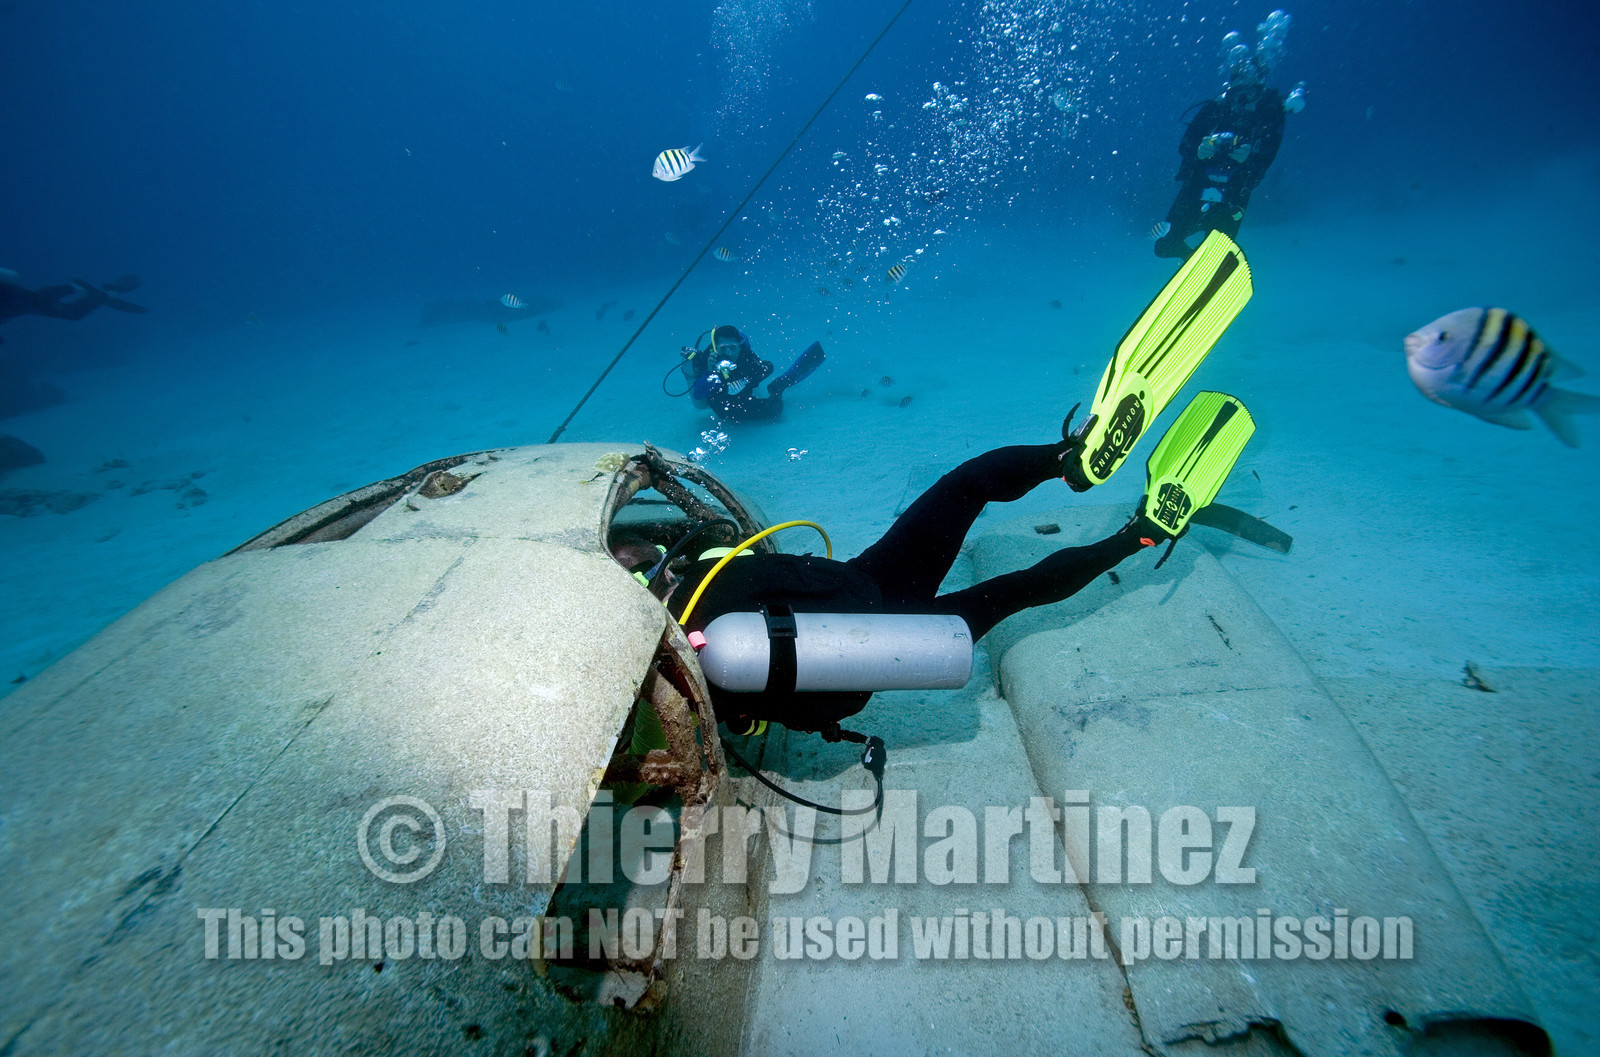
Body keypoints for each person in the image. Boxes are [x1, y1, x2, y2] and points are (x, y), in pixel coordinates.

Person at [631, 233, 1261, 742]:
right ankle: (1067, 460)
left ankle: (1136, 530)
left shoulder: (673, 642)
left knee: (1011, 591)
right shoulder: (691, 589)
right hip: (872, 599)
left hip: (872, 635)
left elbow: (744, 714)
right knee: (967, 490)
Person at [1153, 10, 1305, 260]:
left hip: (1236, 190)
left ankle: (1206, 268)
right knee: (1164, 245)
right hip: (1198, 182)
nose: (1242, 99)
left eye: (1249, 91)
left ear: (1260, 87)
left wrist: (1249, 156)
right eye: (1237, 90)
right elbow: (1186, 145)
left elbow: (1268, 155)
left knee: (1218, 254)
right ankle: (1191, 262)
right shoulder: (1215, 108)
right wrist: (1198, 151)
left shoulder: (1270, 113)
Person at [676, 324, 825, 423]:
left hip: (744, 398)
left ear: (739, 345)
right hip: (722, 406)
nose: (728, 353)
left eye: (733, 348)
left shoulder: (745, 355)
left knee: (775, 411)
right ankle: (775, 388)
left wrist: (747, 379)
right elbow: (699, 395)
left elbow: (767, 367)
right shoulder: (709, 360)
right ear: (716, 348)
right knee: (731, 416)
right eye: (723, 349)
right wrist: (710, 372)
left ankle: (777, 387)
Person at [0, 270, 147, 337]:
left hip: (13, 303)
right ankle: (98, 293)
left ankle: (75, 287)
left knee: (37, 300)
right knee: (72, 313)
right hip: (14, 307)